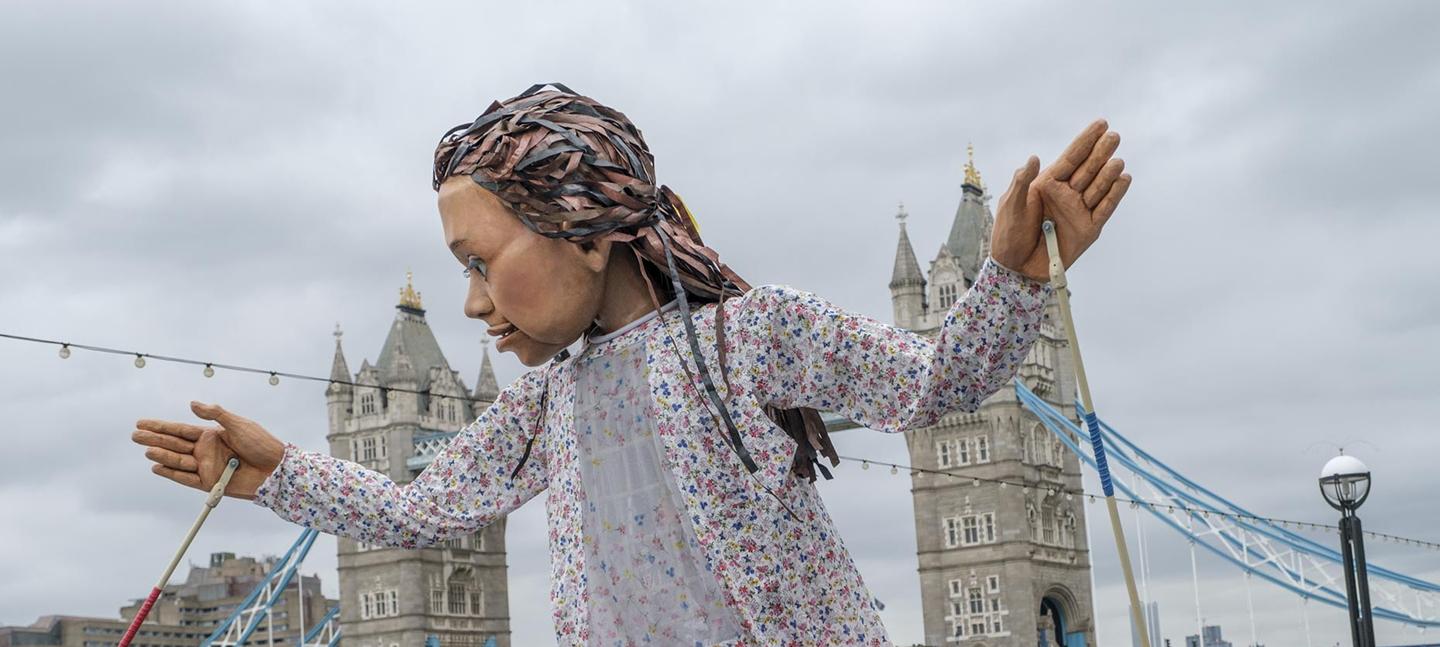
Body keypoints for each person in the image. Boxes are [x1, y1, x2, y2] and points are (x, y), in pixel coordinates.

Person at [132, 82, 1130, 646]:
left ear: (586, 230)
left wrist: (1007, 277)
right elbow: (422, 509)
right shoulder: (549, 403)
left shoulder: (754, 334)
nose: (476, 303)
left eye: (482, 264)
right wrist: (273, 472)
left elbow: (929, 382)